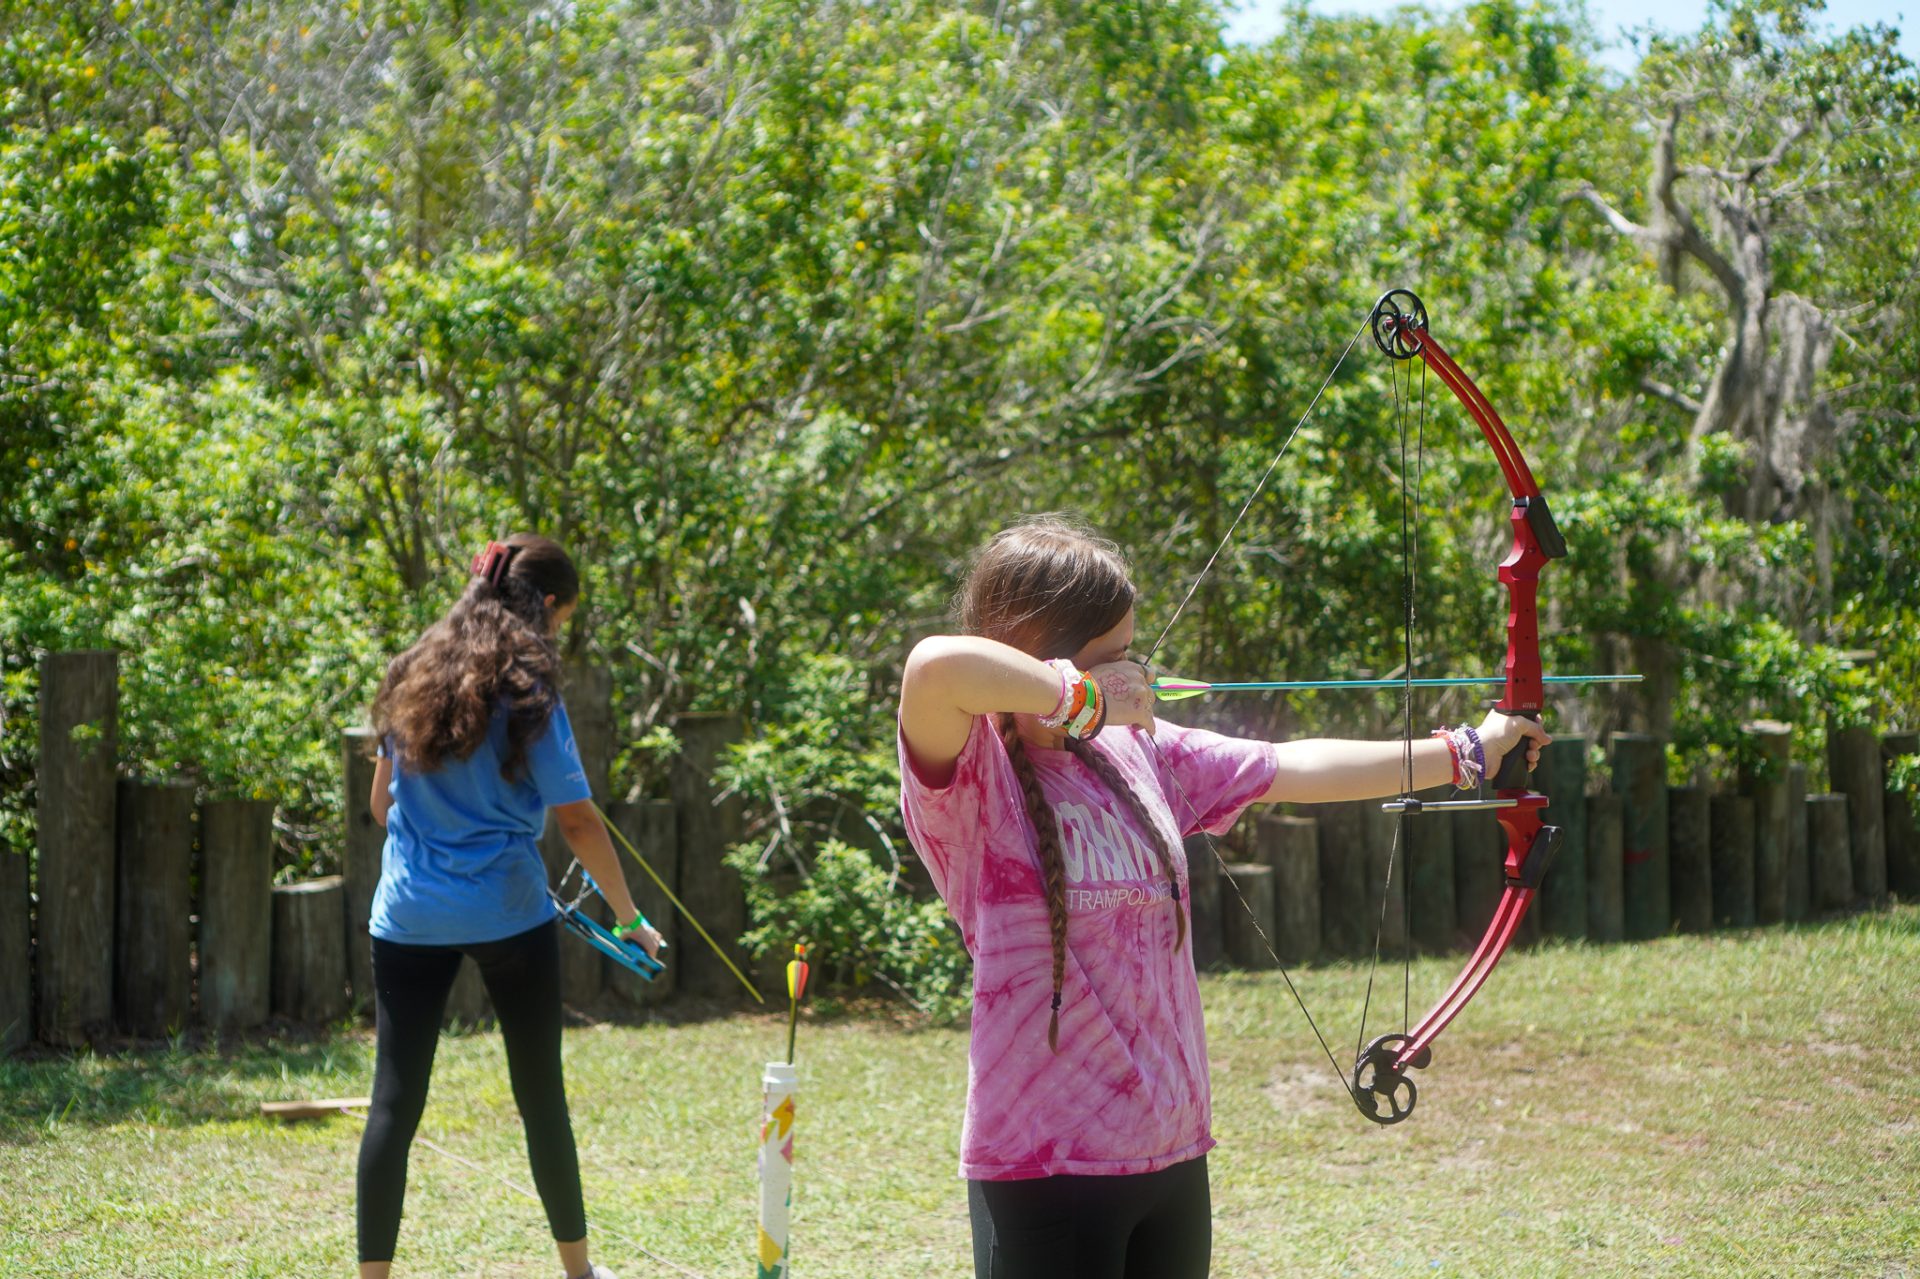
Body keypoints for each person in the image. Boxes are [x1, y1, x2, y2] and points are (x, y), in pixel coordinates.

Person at [895, 516, 1548, 1279]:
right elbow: (935, 666)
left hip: (1170, 1156)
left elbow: (1292, 765)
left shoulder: (1139, 751)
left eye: (1131, 655)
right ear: (1044, 655)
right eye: (1111, 659)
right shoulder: (974, 784)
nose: (1132, 676)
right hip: (1047, 1168)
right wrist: (1079, 697)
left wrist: (1469, 750)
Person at [357, 533, 660, 1279]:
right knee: (540, 1096)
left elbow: (379, 802)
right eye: (564, 617)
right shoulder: (529, 690)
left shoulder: (411, 672)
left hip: (409, 913)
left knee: (393, 1103)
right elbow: (580, 820)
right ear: (546, 604)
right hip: (507, 912)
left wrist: (437, 844)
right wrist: (630, 918)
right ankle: (579, 1272)